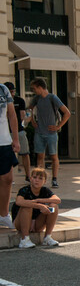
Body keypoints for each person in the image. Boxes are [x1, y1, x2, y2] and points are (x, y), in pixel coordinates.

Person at [28, 77, 70, 189]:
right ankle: (38, 178)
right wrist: (32, 121)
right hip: (39, 132)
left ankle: (54, 179)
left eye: (34, 88)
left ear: (40, 87)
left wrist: (58, 126)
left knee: (53, 156)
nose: (33, 91)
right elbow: (29, 110)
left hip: (51, 133)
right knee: (40, 155)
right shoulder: (36, 99)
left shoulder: (52, 98)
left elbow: (67, 113)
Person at [11, 167, 61, 248]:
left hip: (37, 223)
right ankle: (24, 239)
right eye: (34, 177)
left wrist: (40, 200)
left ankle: (47, 237)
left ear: (44, 181)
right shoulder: (24, 190)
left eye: (40, 178)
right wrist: (39, 205)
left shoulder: (45, 190)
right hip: (21, 222)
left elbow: (57, 200)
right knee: (27, 206)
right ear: (30, 179)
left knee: (53, 207)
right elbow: (19, 202)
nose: (37, 180)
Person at [0, 82, 19, 229]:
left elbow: (12, 114)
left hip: (4, 142)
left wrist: (16, 139)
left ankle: (4, 215)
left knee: (7, 179)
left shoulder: (3, 89)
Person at [4, 82, 30, 181]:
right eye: (10, 92)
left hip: (19, 130)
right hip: (6, 131)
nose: (12, 93)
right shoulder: (3, 101)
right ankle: (10, 177)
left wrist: (25, 122)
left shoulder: (19, 100)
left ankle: (28, 175)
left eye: (13, 91)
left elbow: (23, 115)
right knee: (8, 155)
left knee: (25, 153)